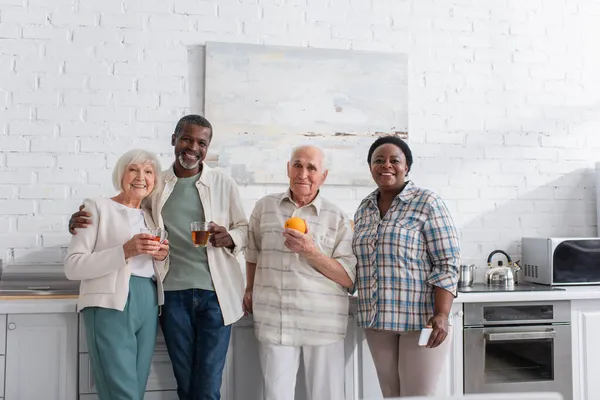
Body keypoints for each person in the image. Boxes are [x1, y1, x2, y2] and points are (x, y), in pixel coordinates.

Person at [68, 115, 249, 400]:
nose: (193, 147)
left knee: (209, 384)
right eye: (187, 139)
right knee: (185, 383)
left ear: (208, 147)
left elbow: (245, 229)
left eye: (202, 142)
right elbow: (127, 207)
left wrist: (231, 237)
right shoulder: (155, 183)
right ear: (174, 139)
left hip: (216, 295)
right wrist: (80, 219)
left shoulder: (223, 183)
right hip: (172, 295)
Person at [244, 144, 357, 400]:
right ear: (288, 168)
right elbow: (252, 254)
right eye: (297, 165)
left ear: (323, 176)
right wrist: (250, 288)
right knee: (275, 395)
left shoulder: (337, 218)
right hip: (275, 320)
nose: (303, 173)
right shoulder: (264, 207)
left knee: (326, 396)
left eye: (311, 168)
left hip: (322, 323)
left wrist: (311, 251)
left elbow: (348, 277)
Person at [352, 136, 461, 398]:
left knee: (417, 397)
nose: (386, 165)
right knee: (390, 394)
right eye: (379, 160)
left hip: (421, 320)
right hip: (377, 319)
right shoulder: (363, 209)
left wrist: (442, 314)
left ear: (407, 167)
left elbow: (447, 261)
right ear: (370, 167)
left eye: (394, 160)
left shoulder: (428, 202)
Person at [64, 149, 170, 400]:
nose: (140, 177)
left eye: (148, 172)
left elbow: (156, 269)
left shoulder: (152, 216)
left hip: (148, 301)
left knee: (136, 388)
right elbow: (73, 266)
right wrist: (124, 251)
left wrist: (162, 256)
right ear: (121, 174)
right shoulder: (96, 207)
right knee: (120, 393)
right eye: (133, 169)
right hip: (109, 304)